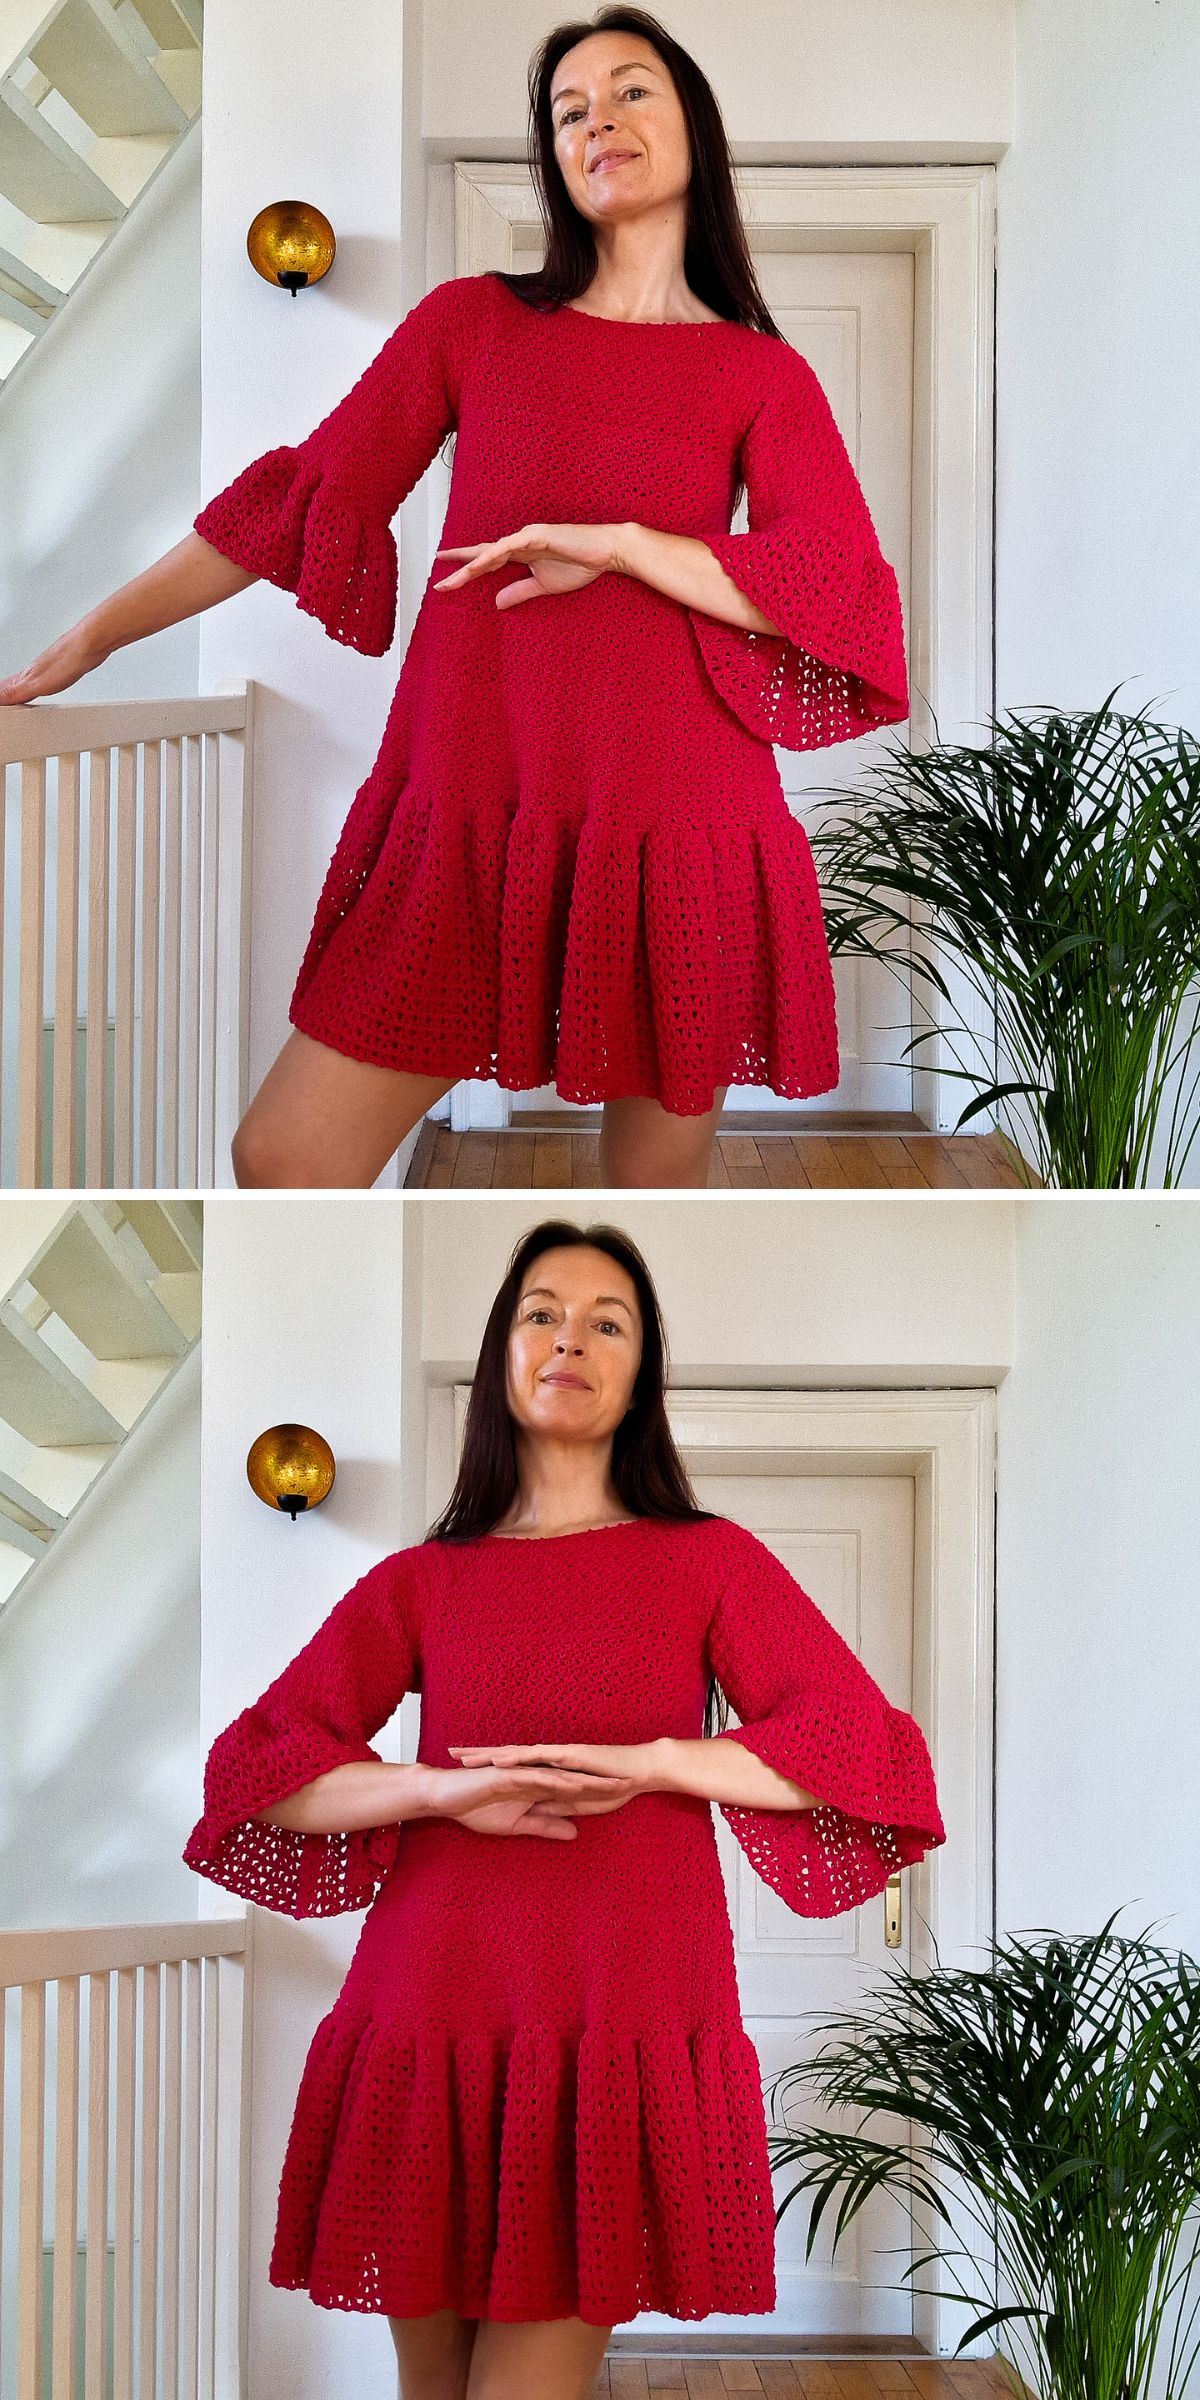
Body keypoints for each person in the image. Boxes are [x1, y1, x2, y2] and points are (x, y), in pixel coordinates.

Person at [0, 9, 906, 1194]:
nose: (600, 123)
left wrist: (627, 546)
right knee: (284, 1159)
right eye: (571, 112)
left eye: (632, 94)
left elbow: (833, 588)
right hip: (471, 795)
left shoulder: (758, 373)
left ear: (696, 132)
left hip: (679, 816)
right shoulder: (473, 324)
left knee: (654, 1198)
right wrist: (90, 636)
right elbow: (301, 503)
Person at [183, 1218, 945, 2400]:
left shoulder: (709, 1561)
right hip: (428, 2014)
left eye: (608, 1321)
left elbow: (859, 1756)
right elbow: (261, 1776)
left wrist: (659, 1761)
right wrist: (444, 1789)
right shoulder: (422, 1580)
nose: (569, 1338)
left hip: (616, 2009)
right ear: (502, 1352)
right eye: (541, 1311)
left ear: (641, 1372)